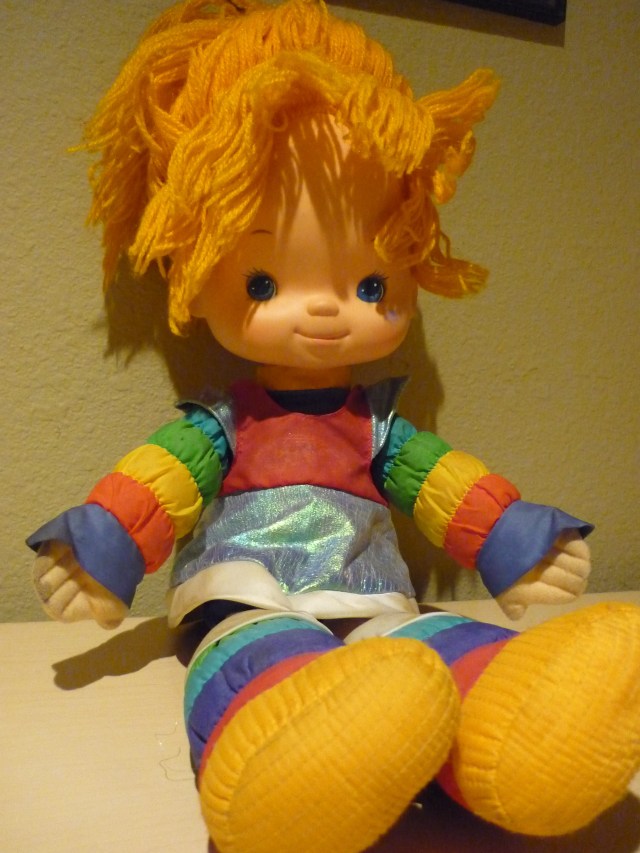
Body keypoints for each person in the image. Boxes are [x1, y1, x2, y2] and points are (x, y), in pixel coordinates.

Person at [27, 2, 640, 851]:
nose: (325, 310)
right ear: (192, 267)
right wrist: (103, 549)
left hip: (370, 592)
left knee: (421, 648)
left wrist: (512, 538)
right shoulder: (225, 424)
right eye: (266, 282)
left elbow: (441, 480)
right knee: (256, 647)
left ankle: (518, 731)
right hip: (246, 586)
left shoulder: (377, 426)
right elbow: (159, 482)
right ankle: (292, 758)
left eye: (372, 286)